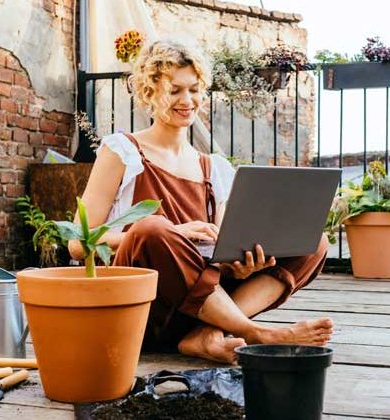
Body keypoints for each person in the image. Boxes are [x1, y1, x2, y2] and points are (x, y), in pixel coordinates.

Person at [69, 38, 332, 363]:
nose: (187, 100)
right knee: (151, 229)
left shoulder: (213, 168)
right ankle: (252, 332)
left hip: (199, 310)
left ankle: (208, 334)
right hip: (144, 311)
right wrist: (174, 234)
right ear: (149, 92)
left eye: (194, 89)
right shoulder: (122, 151)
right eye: (175, 90)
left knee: (313, 243)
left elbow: (220, 259)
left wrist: (243, 264)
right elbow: (79, 243)